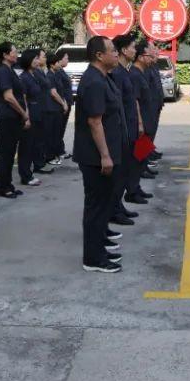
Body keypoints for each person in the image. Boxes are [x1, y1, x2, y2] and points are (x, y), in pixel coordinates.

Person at [74, 36, 124, 273]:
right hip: (95, 158)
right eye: (113, 50)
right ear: (99, 55)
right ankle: (93, 259)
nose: (116, 54)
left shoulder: (103, 77)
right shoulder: (93, 81)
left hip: (106, 154)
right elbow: (95, 122)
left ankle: (99, 246)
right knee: (96, 207)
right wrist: (105, 155)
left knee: (103, 205)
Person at [110, 35, 144, 214]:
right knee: (122, 169)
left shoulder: (127, 71)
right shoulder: (118, 73)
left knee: (131, 163)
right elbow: (120, 105)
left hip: (135, 124)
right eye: (133, 47)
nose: (135, 50)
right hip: (125, 128)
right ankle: (116, 206)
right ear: (124, 50)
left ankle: (122, 201)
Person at [0, 42, 31, 198]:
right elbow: (8, 97)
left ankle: (8, 184)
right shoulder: (3, 72)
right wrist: (23, 113)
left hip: (13, 118)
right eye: (14, 52)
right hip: (8, 117)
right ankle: (4, 187)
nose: (16, 54)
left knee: (10, 153)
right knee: (7, 154)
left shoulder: (10, 70)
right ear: (5, 55)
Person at [18, 48, 53, 182]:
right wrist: (26, 117)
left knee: (35, 143)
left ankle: (31, 170)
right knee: (27, 147)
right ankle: (25, 175)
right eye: (35, 59)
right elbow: (24, 98)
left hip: (38, 113)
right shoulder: (24, 77)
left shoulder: (34, 74)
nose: (37, 61)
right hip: (30, 115)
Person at [42, 52, 69, 168]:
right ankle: (49, 156)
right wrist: (63, 104)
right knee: (50, 134)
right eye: (57, 62)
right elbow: (53, 93)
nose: (59, 63)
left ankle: (53, 154)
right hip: (51, 108)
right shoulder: (50, 76)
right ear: (52, 65)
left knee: (56, 133)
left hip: (56, 108)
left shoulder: (55, 74)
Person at [142, 47, 165, 163]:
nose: (156, 56)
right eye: (154, 54)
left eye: (156, 54)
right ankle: (144, 158)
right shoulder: (145, 69)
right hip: (149, 106)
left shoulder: (153, 67)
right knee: (147, 132)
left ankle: (149, 151)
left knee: (152, 130)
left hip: (156, 104)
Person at [52, 51, 74, 160]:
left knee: (61, 128)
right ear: (59, 60)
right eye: (66, 58)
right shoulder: (57, 72)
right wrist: (64, 103)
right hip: (62, 104)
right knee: (59, 129)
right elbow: (59, 90)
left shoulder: (61, 71)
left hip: (67, 103)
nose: (67, 60)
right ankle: (58, 151)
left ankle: (60, 149)